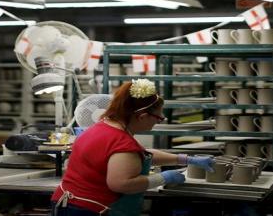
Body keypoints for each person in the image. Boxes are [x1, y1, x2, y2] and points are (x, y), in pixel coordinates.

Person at [51, 78, 214, 215]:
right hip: (89, 210)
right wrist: (163, 178)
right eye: (159, 117)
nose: (161, 119)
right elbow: (121, 184)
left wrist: (185, 159)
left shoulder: (103, 126)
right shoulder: (122, 142)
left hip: (68, 202)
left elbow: (139, 155)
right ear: (142, 117)